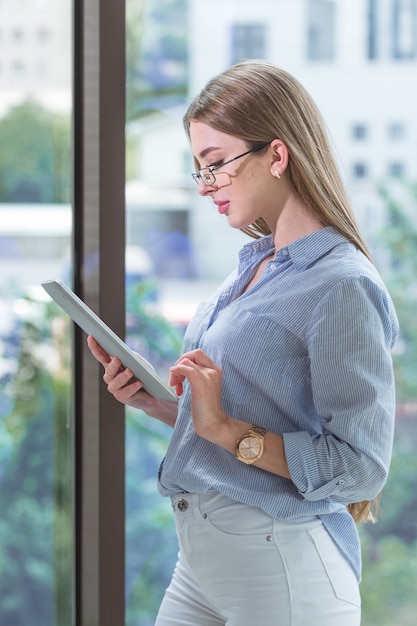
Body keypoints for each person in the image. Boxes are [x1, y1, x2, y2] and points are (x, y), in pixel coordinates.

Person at [87, 60, 399, 625]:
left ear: (277, 156)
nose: (206, 186)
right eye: (198, 171)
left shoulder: (341, 285)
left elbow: (362, 468)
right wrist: (164, 404)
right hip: (202, 564)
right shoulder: (254, 269)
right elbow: (249, 415)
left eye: (216, 165)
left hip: (285, 570)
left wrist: (228, 432)